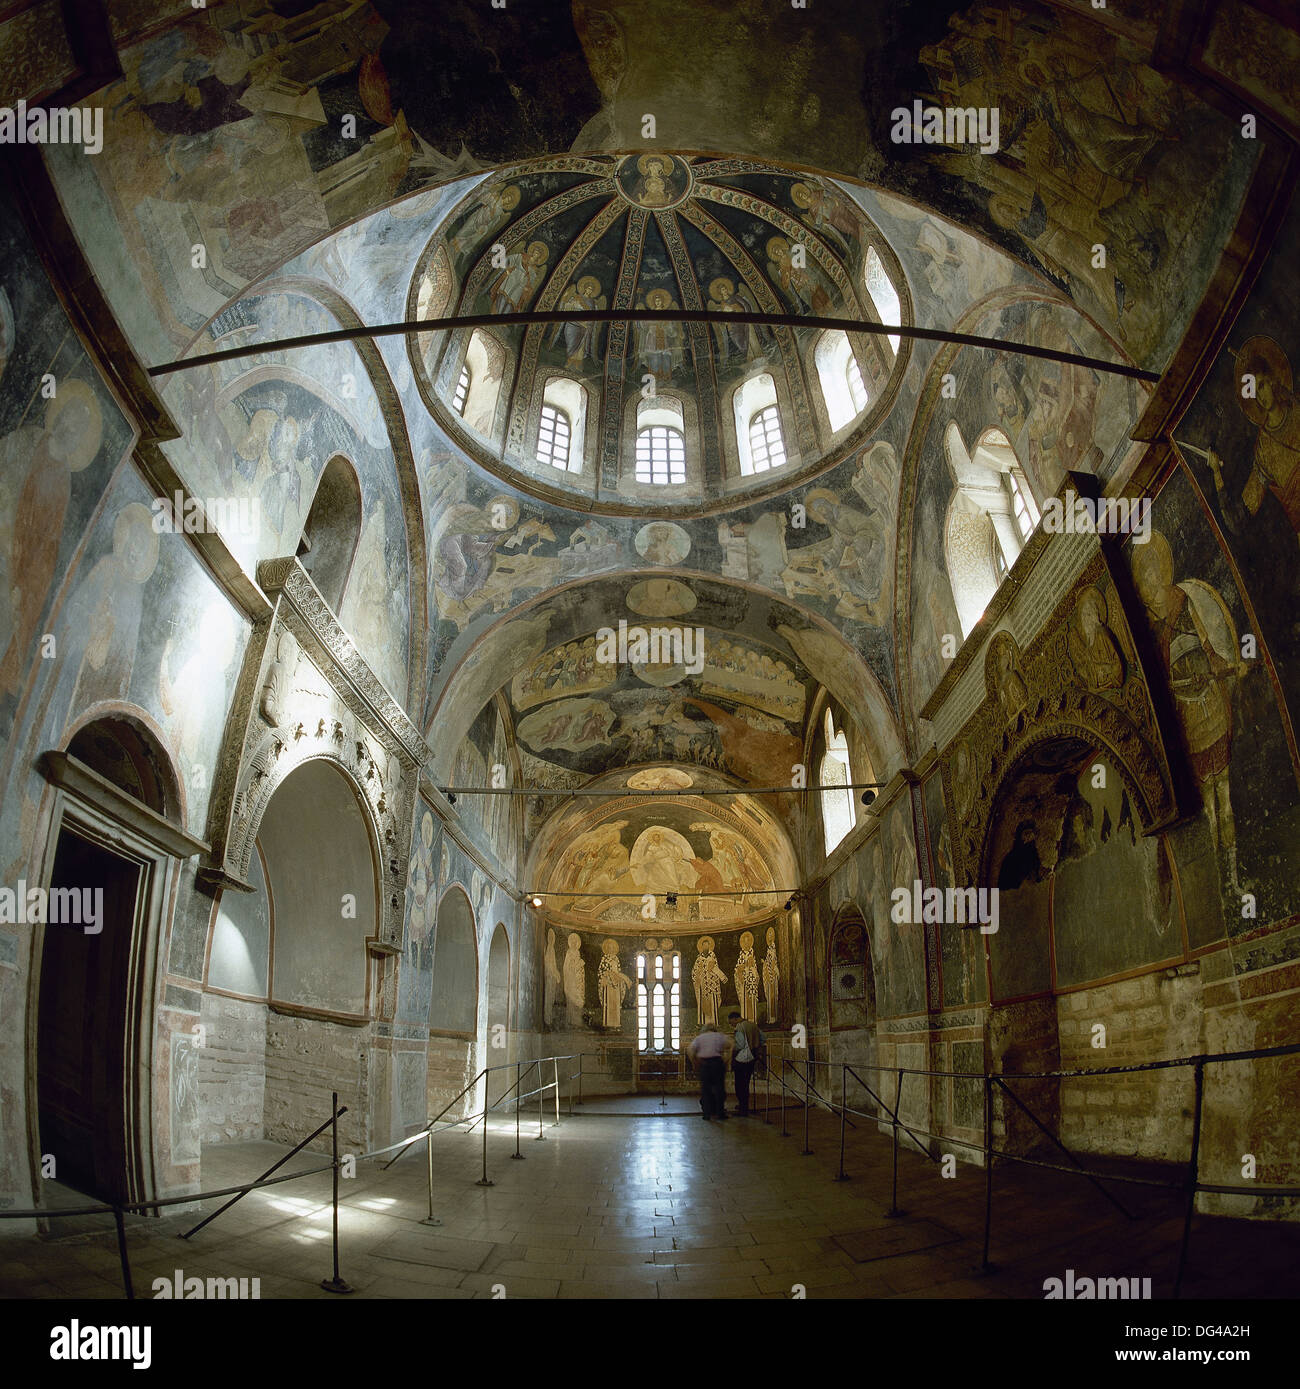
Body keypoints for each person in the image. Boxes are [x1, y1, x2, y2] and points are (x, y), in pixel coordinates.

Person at [686, 1023, 731, 1121]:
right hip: (717, 1064)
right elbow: (730, 1045)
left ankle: (706, 1114)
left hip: (704, 1065)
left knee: (705, 1090)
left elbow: (690, 1050)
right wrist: (726, 1060)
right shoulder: (719, 1036)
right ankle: (720, 1113)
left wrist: (695, 1062)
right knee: (719, 1089)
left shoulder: (699, 1038)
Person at [728, 1009, 764, 1117]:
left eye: (731, 1022)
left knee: (740, 1085)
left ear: (735, 1018)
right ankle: (744, 1105)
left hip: (742, 1059)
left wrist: (732, 1051)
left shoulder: (740, 1027)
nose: (731, 1025)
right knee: (746, 1083)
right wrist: (756, 1046)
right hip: (752, 1058)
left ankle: (743, 1109)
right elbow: (763, 1038)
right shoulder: (753, 1025)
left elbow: (740, 1044)